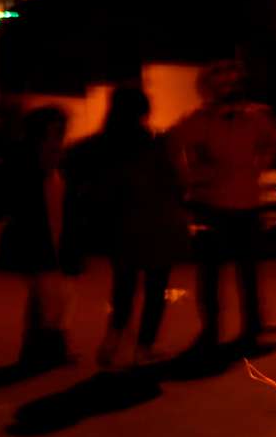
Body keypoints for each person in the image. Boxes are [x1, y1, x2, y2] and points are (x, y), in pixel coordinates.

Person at [67, 86, 190, 368]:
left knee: (123, 286)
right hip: (158, 223)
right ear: (144, 111)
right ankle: (144, 347)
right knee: (155, 288)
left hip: (120, 225)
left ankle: (113, 341)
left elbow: (77, 171)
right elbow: (178, 181)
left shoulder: (101, 145)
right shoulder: (156, 143)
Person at [169, 60, 276, 354]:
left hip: (246, 204)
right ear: (209, 88)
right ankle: (210, 331)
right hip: (211, 205)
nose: (228, 87)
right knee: (210, 274)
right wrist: (192, 177)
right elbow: (173, 146)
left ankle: (252, 328)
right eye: (221, 82)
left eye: (233, 82)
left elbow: (274, 141)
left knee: (248, 272)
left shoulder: (256, 117)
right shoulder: (199, 120)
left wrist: (260, 163)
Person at [0, 106, 80, 369]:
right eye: (55, 129)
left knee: (56, 296)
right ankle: (44, 351)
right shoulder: (21, 161)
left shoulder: (61, 160)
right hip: (35, 241)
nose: (60, 135)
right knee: (50, 297)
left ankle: (41, 350)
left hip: (58, 240)